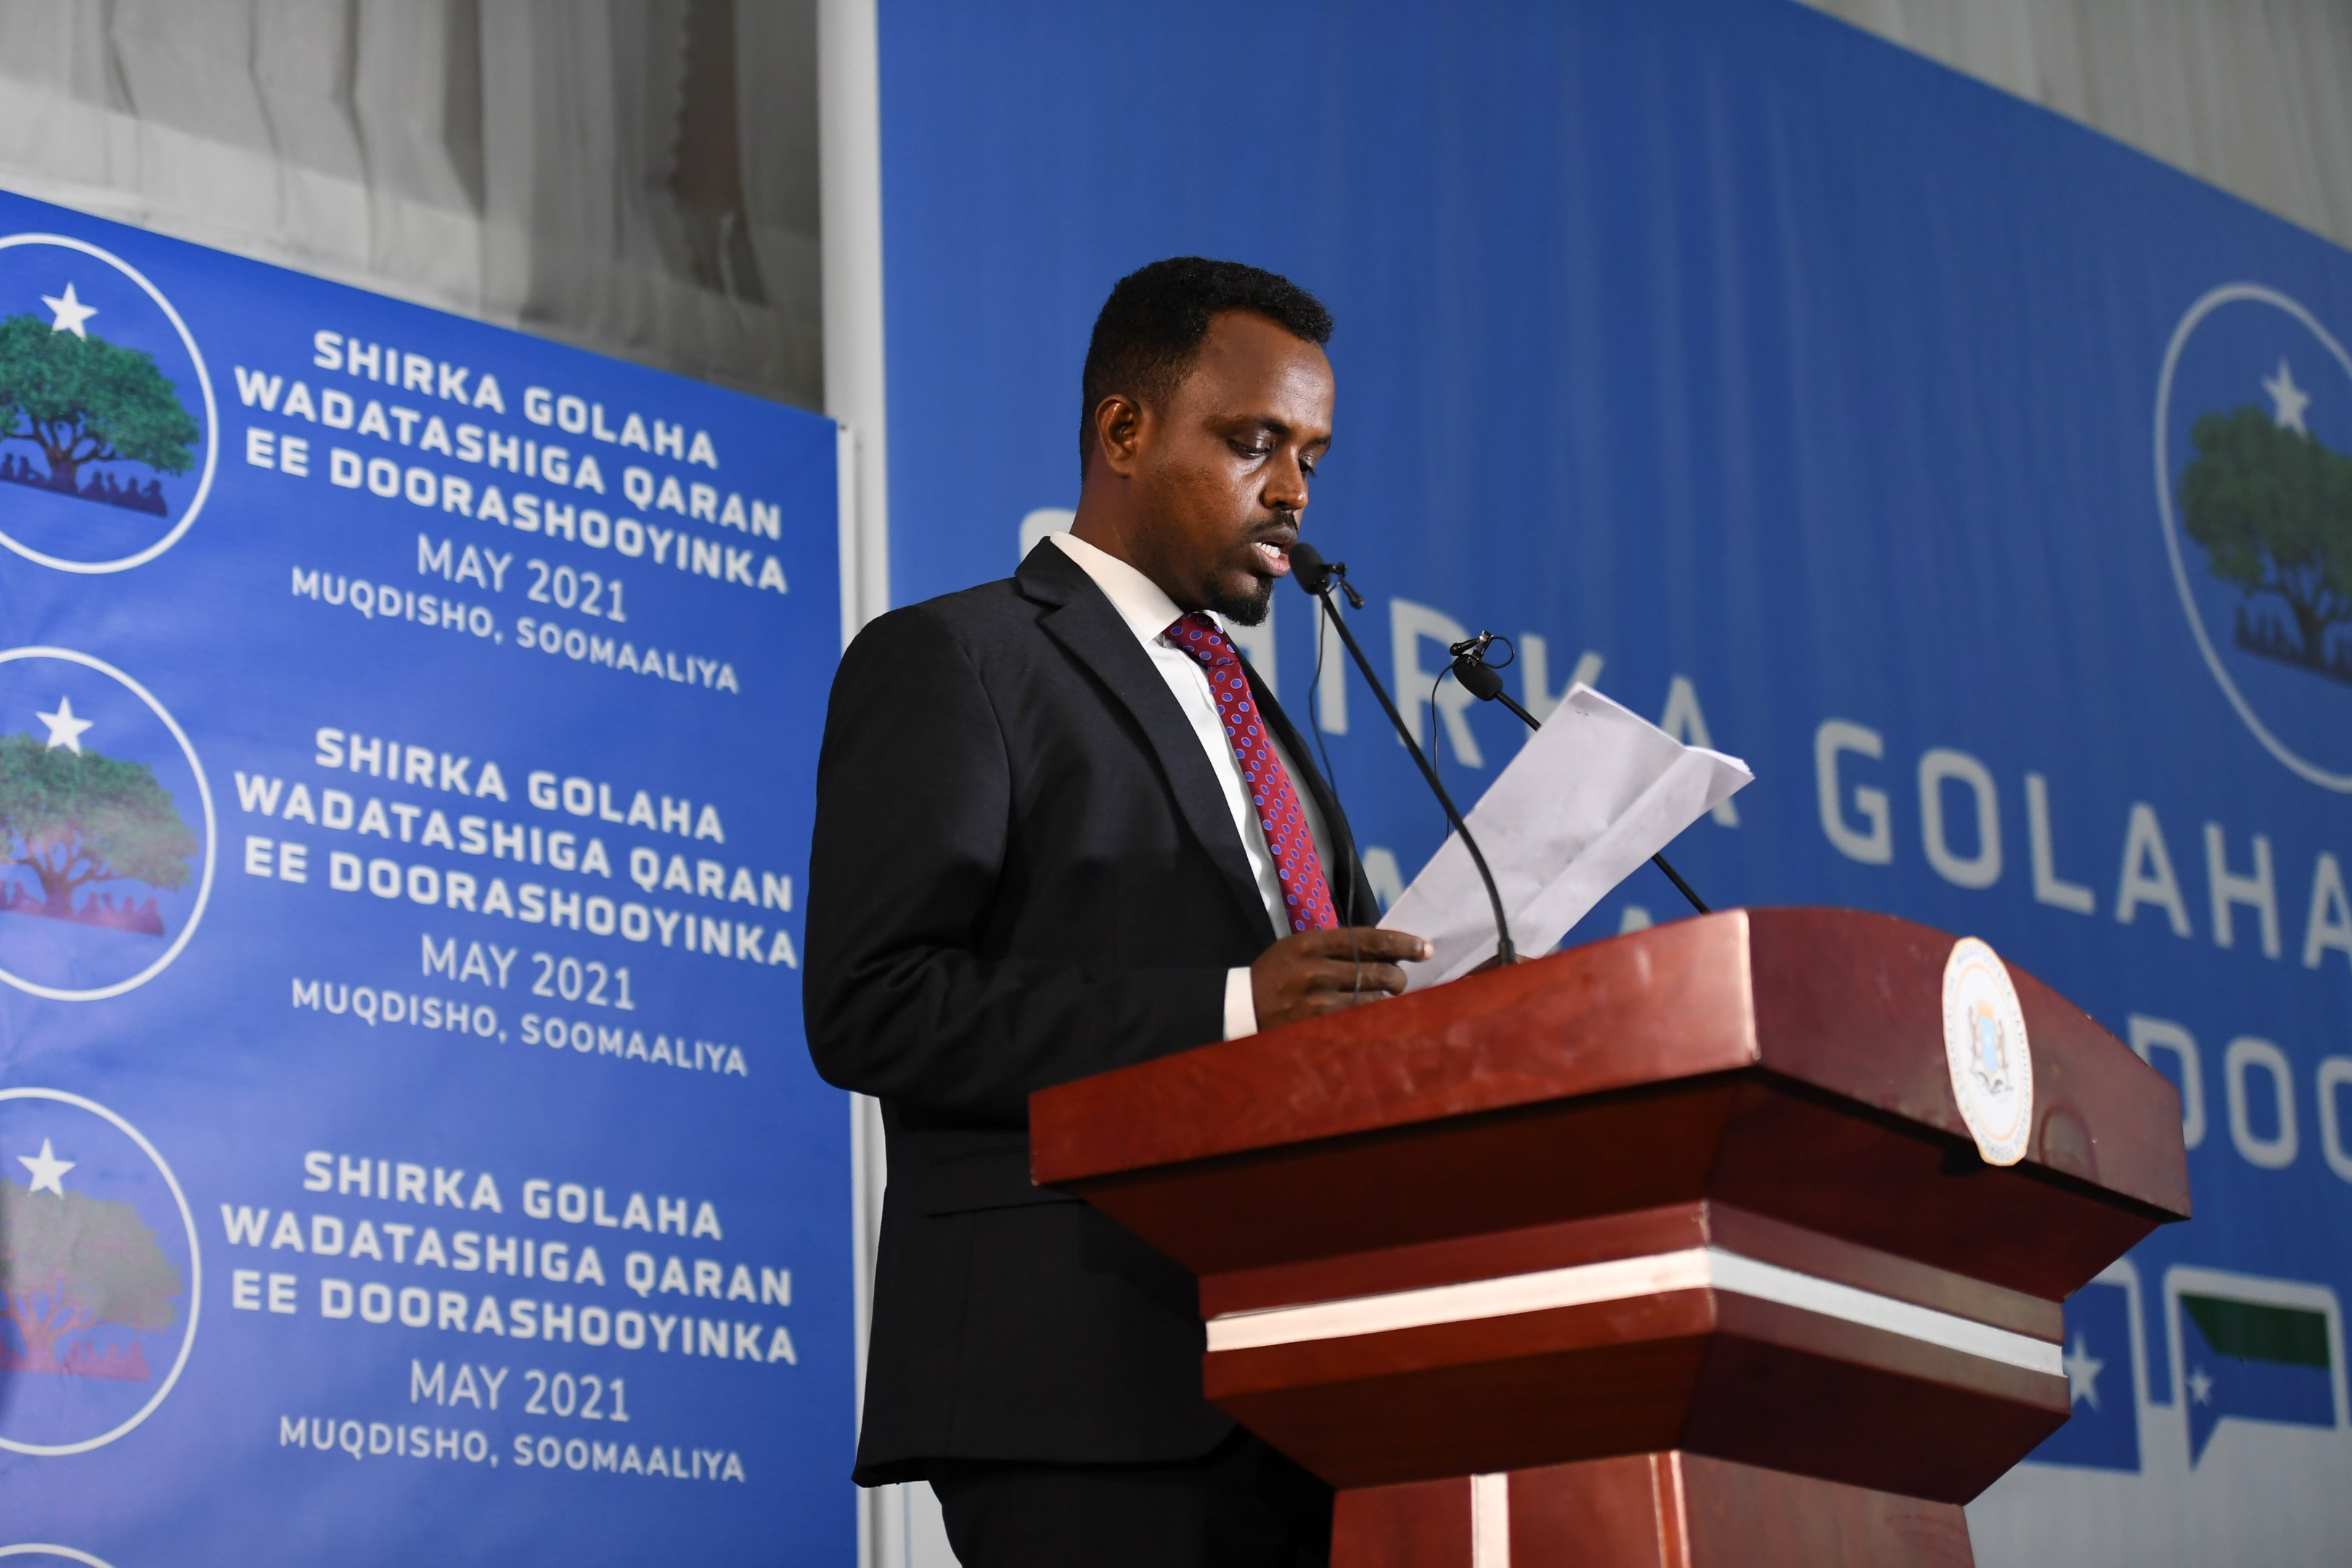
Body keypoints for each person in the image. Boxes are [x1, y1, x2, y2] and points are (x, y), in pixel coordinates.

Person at [805, 257, 1429, 1567]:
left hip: (1310, 1382)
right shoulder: (959, 659)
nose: (1296, 493)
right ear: (1125, 432)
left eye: (1312, 453)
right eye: (1254, 443)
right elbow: (874, 1006)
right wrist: (1235, 1006)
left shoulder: (1269, 726)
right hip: (1079, 1381)